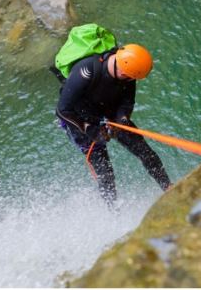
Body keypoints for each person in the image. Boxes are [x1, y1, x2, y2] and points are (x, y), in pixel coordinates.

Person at [55, 43, 172, 207]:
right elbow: (62, 110)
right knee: (105, 172)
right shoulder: (86, 71)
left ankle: (168, 188)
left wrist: (122, 120)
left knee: (146, 152)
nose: (133, 81)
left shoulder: (128, 72)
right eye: (131, 77)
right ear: (125, 71)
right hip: (80, 119)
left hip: (109, 114)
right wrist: (89, 129)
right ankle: (113, 209)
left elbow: (127, 101)